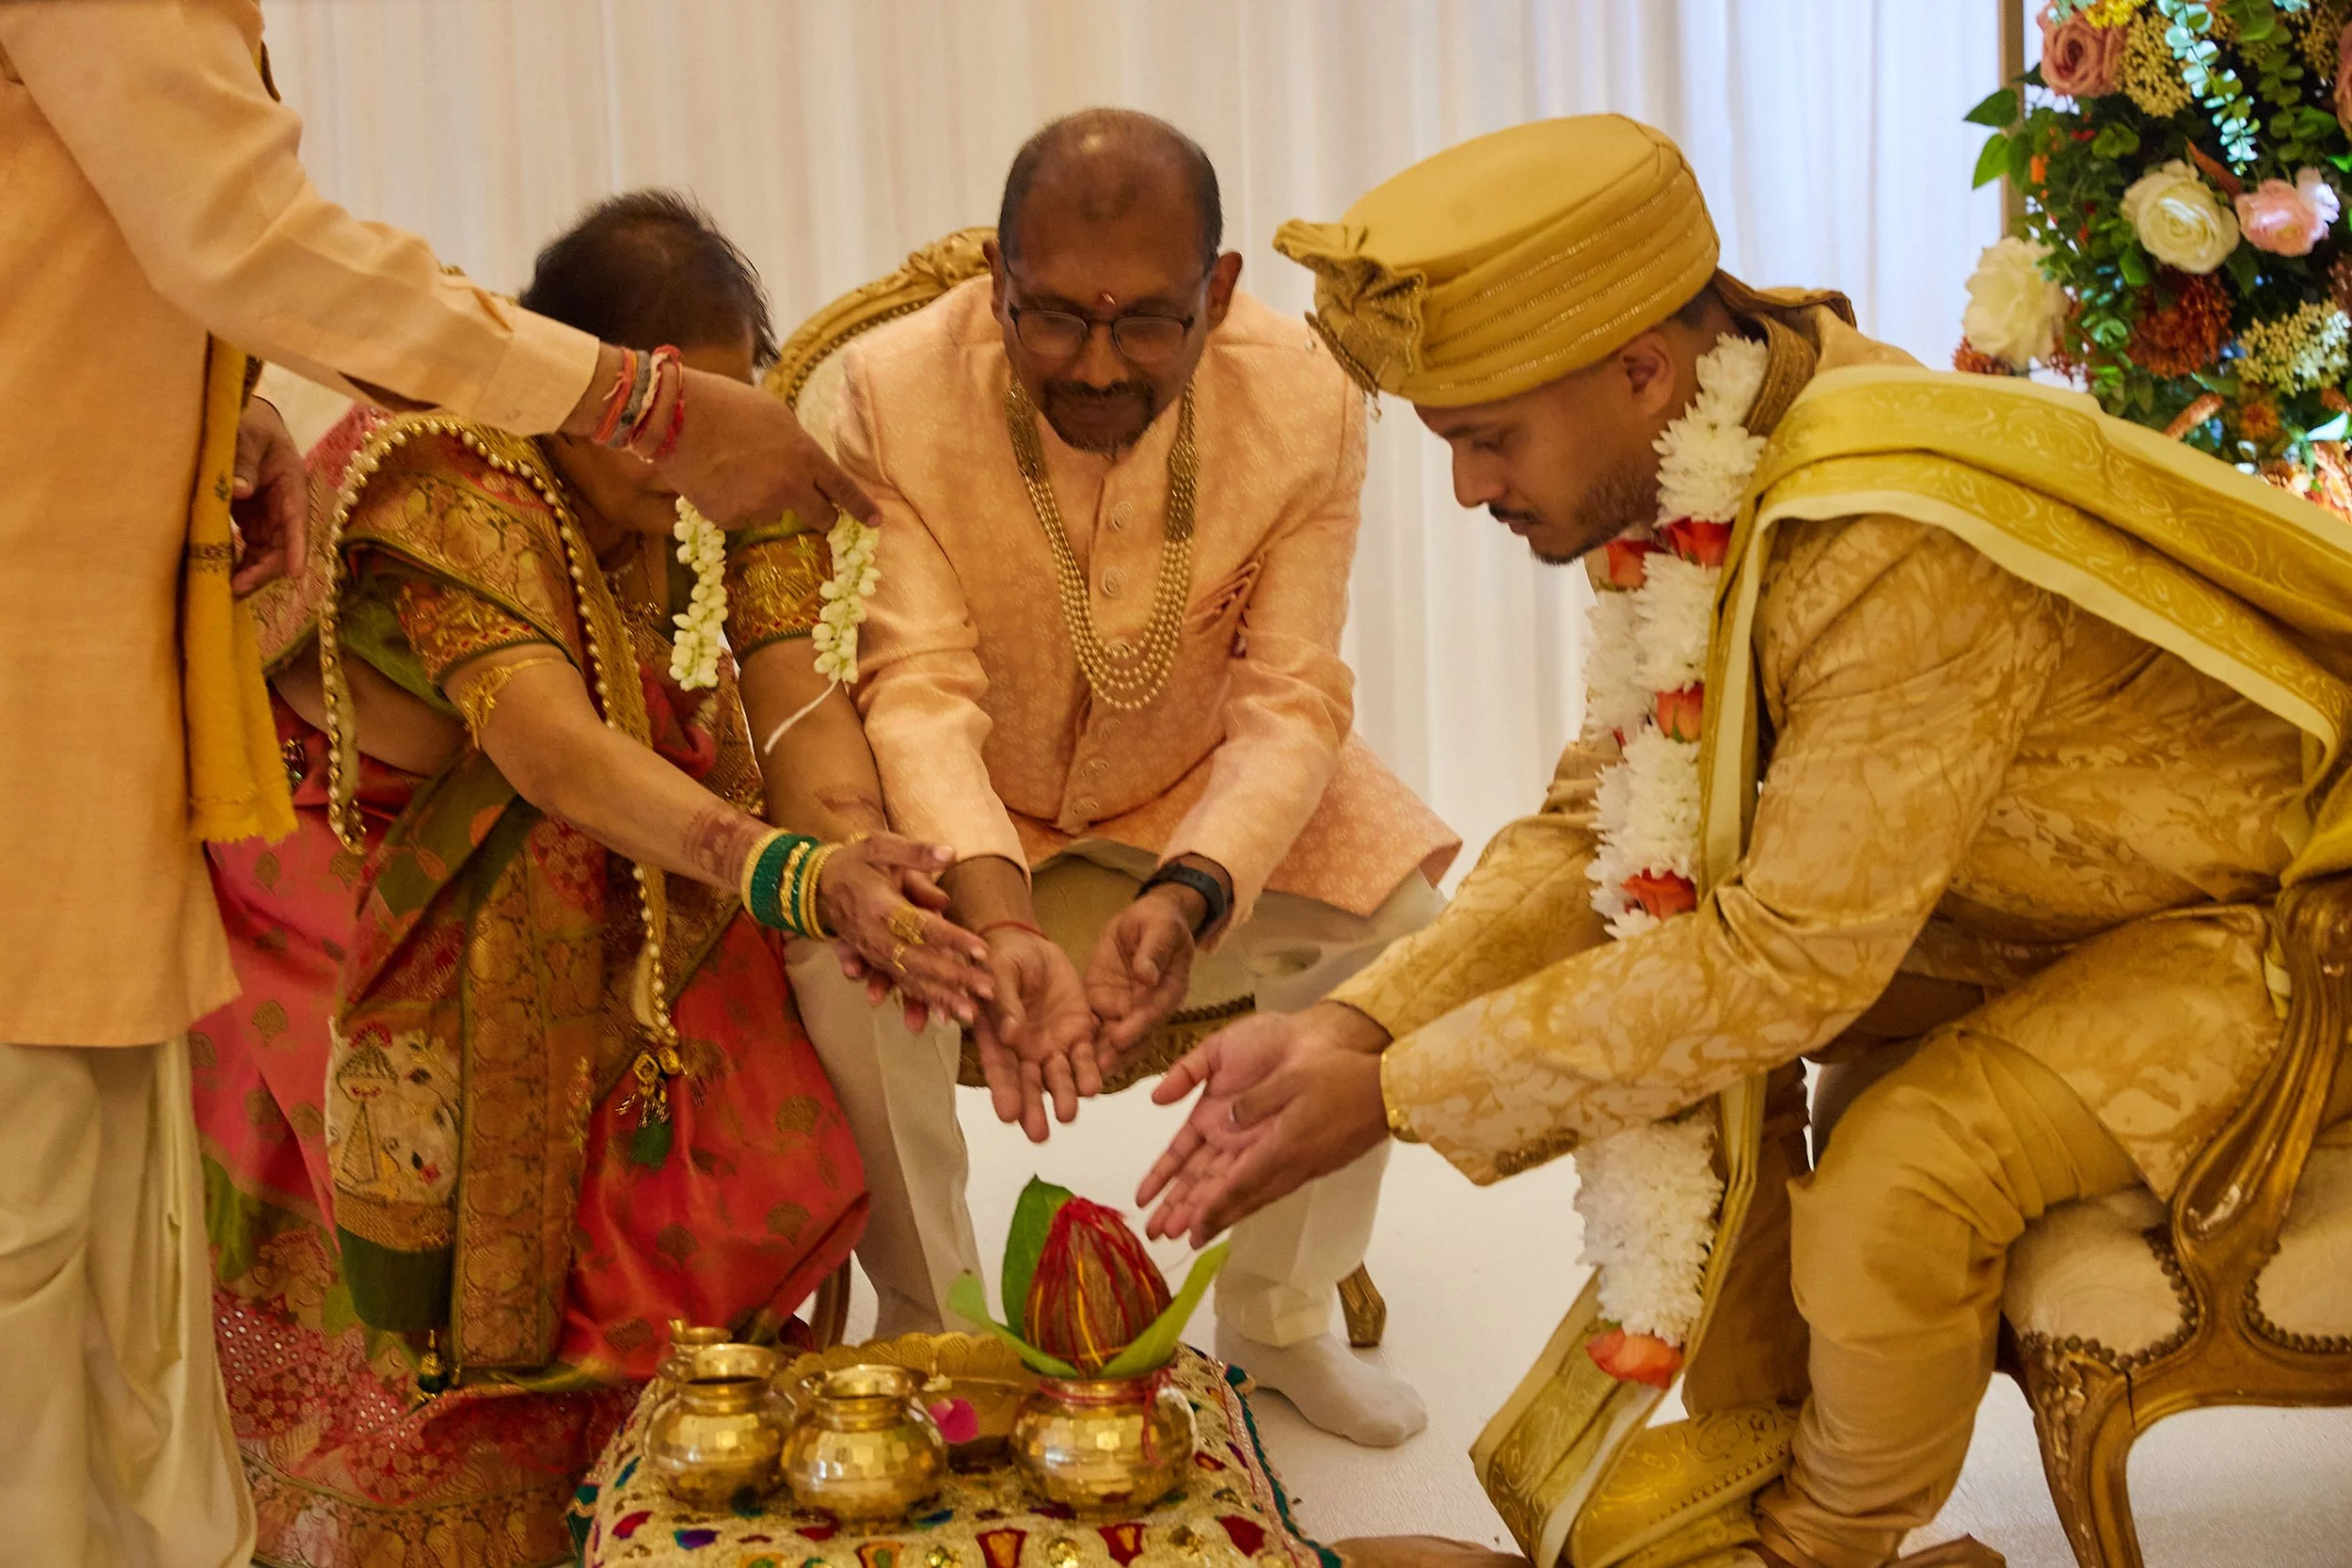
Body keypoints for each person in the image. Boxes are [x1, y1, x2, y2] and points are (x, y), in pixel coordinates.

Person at [1136, 116, 2352, 1568]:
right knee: (1684, 1051)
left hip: (2267, 923)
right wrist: (1358, 1021)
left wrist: (1396, 1093)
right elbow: (1608, 822)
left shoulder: (1886, 535)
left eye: (1485, 437)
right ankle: (1745, 1476)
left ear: (1643, 368)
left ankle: (1815, 1550)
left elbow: (1787, 962)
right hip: (2025, 901)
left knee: (1906, 1162)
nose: (1467, 489)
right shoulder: (1717, 449)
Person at [0, 5, 880, 1562]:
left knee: (99, 1277)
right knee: (34, 1269)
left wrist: (231, 411)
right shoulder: (457, 489)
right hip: (184, 792)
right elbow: (243, 236)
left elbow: (115, 247)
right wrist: (648, 409)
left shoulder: (709, 481)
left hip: (126, 720)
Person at [192, 190, 990, 1567]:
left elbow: (796, 707)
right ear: (585, 386)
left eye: (730, 406)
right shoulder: (444, 480)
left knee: (757, 1062)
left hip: (597, 840)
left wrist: (856, 855)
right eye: (677, 410)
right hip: (354, 873)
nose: (699, 454)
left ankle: (700, 1424)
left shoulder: (717, 470)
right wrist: (788, 873)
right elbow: (554, 751)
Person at [814, 109, 1459, 1446]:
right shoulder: (888, 394)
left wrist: (1189, 898)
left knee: (1396, 939)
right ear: (996, 276)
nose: (1096, 367)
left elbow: (1289, 698)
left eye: (1147, 326)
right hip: (970, 817)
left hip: (1196, 791)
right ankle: (936, 1324)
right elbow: (918, 692)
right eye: (1051, 320)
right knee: (843, 962)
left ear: (1218, 294)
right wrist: (994, 920)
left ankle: (1276, 1320)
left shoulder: (1311, 399)